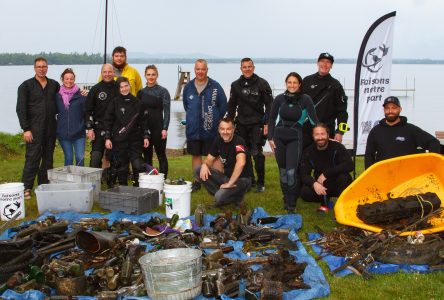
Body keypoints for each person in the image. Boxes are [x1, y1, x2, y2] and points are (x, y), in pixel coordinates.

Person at [268, 72, 319, 213]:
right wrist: (270, 138)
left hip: (295, 139)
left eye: (295, 82)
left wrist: (322, 134)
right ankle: (286, 198)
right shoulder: (279, 99)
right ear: (286, 83)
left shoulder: (305, 99)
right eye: (289, 82)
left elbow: (315, 120)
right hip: (279, 138)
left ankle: (292, 203)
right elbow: (271, 119)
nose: (292, 85)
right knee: (283, 171)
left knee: (291, 172)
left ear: (299, 84)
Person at [227, 58, 273, 192]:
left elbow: (270, 105)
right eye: (244, 67)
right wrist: (230, 123)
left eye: (249, 66)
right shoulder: (235, 85)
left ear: (254, 67)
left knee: (257, 154)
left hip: (257, 124)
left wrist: (267, 123)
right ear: (241, 68)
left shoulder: (262, 83)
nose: (247, 69)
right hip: (241, 124)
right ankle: (249, 180)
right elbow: (231, 106)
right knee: (242, 154)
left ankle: (261, 182)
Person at [16, 57, 60, 199]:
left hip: (50, 128)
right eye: (39, 67)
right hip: (34, 128)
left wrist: (81, 93)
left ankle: (43, 185)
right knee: (32, 158)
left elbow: (65, 96)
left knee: (48, 159)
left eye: (44, 66)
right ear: (34, 68)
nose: (42, 69)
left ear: (47, 68)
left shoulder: (54, 84)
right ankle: (26, 188)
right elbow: (20, 109)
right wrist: (26, 129)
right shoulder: (26, 86)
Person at [183, 59, 227, 191]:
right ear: (194, 69)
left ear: (207, 70)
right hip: (193, 130)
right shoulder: (188, 87)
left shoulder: (215, 86)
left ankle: (219, 180)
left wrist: (214, 120)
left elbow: (223, 106)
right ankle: (198, 181)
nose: (200, 72)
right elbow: (186, 105)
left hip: (211, 130)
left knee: (214, 156)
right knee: (196, 155)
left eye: (203, 69)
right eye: (198, 69)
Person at [364, 96, 440, 169]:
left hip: (406, 176)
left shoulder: (410, 129)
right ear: (384, 110)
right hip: (384, 175)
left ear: (400, 109)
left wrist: (432, 164)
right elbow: (369, 155)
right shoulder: (375, 131)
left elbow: (433, 142)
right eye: (387, 108)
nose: (390, 111)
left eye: (394, 108)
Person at [195, 117, 252, 207]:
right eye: (222, 129)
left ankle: (235, 197)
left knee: (219, 197)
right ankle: (228, 195)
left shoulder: (239, 142)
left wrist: (230, 183)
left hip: (243, 180)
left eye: (228, 129)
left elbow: (241, 162)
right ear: (218, 130)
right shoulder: (218, 140)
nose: (225, 132)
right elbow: (209, 159)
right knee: (199, 170)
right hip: (227, 177)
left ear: (233, 129)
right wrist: (205, 164)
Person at [104, 77, 149, 186]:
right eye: (121, 87)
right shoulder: (114, 102)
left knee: (138, 165)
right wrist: (107, 138)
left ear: (129, 86)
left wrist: (146, 136)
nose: (124, 89)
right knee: (122, 167)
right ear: (118, 89)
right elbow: (107, 121)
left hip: (135, 140)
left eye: (126, 86)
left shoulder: (138, 103)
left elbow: (143, 122)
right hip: (119, 140)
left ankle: (136, 187)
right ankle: (123, 188)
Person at [300, 124, 353, 212]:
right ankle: (326, 200)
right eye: (317, 134)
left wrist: (326, 174)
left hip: (338, 183)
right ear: (313, 136)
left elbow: (349, 165)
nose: (320, 137)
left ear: (328, 135)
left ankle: (342, 204)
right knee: (304, 192)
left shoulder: (337, 147)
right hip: (321, 185)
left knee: (344, 177)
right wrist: (314, 184)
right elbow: (304, 174)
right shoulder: (308, 151)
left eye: (322, 134)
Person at [302, 52, 348, 148]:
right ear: (318, 63)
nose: (325, 64)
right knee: (303, 160)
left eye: (328, 62)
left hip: (326, 130)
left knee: (325, 161)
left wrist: (340, 132)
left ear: (331, 66)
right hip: (306, 130)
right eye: (322, 61)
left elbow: (342, 111)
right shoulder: (306, 81)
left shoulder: (336, 86)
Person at [137, 65, 171, 177]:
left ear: (157, 75)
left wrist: (165, 128)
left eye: (153, 74)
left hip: (158, 127)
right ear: (145, 76)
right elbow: (138, 113)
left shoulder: (163, 91)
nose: (151, 77)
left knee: (161, 155)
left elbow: (167, 112)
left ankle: (163, 180)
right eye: (148, 74)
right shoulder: (141, 92)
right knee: (147, 155)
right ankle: (149, 179)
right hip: (145, 129)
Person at [85, 63, 118, 169]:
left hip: (115, 128)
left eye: (110, 72)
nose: (107, 74)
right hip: (99, 127)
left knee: (114, 157)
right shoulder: (95, 89)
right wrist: (89, 128)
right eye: (105, 72)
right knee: (95, 157)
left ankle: (111, 179)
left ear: (113, 73)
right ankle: (94, 179)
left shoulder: (119, 88)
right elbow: (88, 110)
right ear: (101, 73)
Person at [56, 68, 86, 166]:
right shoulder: (57, 96)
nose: (69, 81)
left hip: (79, 134)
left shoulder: (81, 95)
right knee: (68, 157)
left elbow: (86, 113)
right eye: (66, 79)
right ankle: (68, 180)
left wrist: (87, 128)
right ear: (62, 79)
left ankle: (81, 180)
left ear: (74, 79)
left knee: (80, 157)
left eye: (71, 79)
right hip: (64, 134)